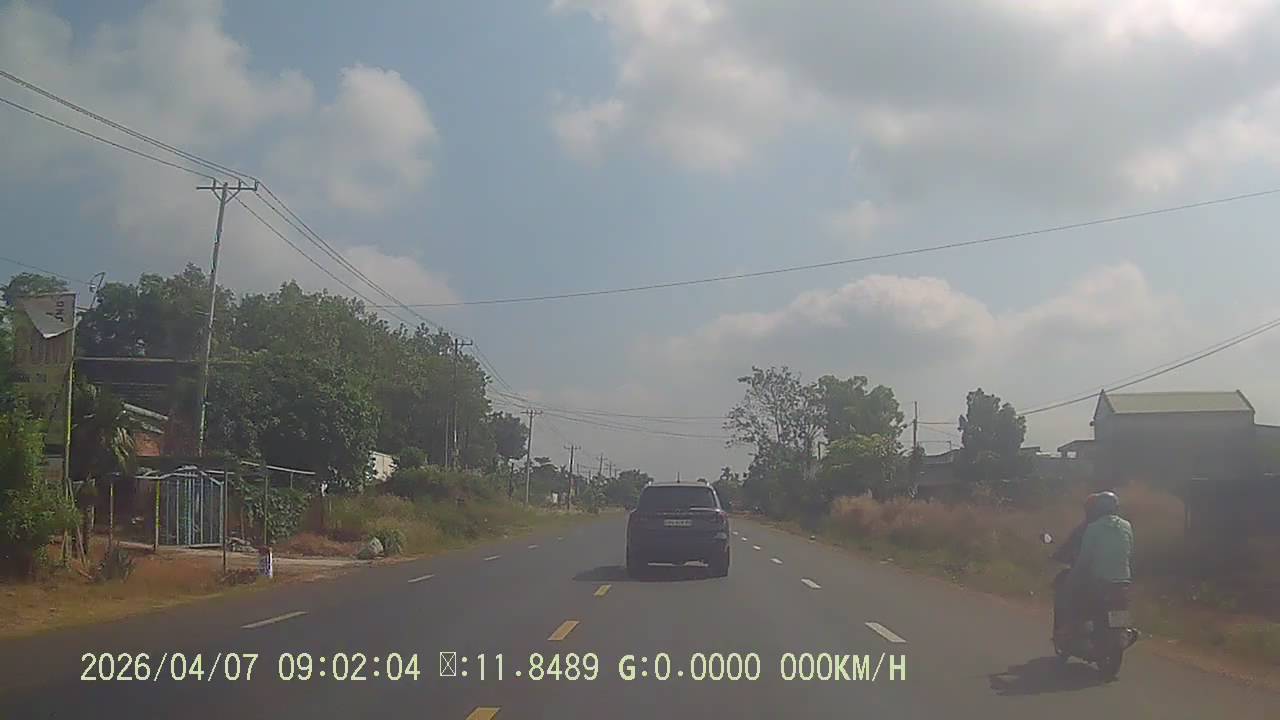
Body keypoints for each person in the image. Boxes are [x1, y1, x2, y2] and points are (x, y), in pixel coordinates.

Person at [1067, 491, 1134, 629]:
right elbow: (1129, 551)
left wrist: (1074, 576)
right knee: (1121, 612)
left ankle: (1079, 626)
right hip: (1123, 581)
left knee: (1077, 599)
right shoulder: (1127, 526)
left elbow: (1084, 558)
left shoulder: (1093, 528)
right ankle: (1122, 630)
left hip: (1099, 582)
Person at [1052, 493, 1107, 640]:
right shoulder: (1118, 527)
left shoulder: (1087, 528)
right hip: (1116, 578)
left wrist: (1057, 555)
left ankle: (1067, 627)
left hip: (1089, 575)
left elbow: (1070, 548)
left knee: (1066, 591)